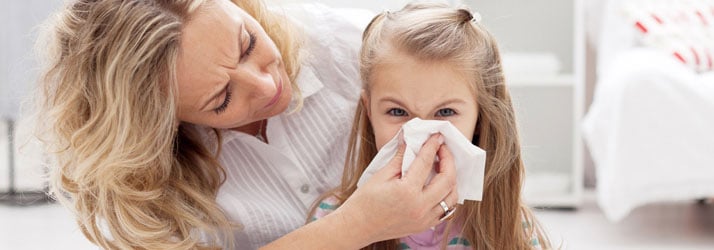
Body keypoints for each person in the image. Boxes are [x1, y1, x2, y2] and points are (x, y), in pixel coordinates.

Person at [34, 0, 458, 249]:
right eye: (221, 100)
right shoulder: (139, 184)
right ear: (159, 125)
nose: (267, 84)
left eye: (247, 43)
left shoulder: (352, 47)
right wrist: (354, 227)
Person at [308, 3, 552, 249]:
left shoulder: (508, 226)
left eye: (445, 112)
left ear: (480, 117)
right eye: (397, 111)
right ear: (369, 111)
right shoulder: (335, 219)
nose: (422, 136)